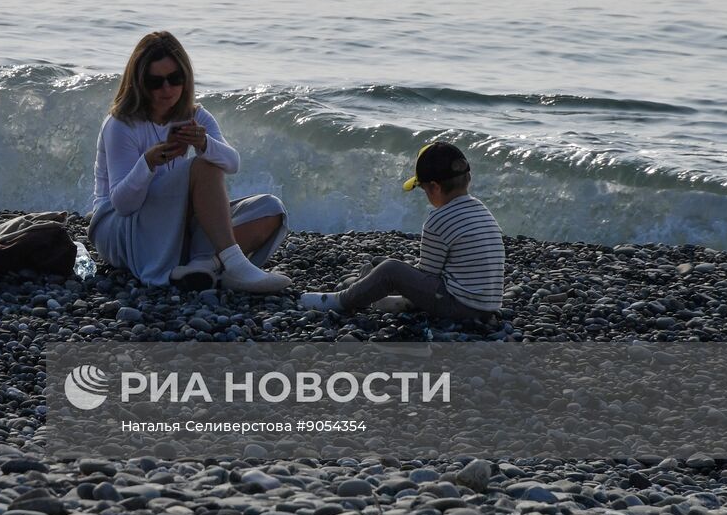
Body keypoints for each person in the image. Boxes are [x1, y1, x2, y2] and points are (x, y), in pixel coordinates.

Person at [87, 31, 292, 292]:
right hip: (120, 229)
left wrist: (204, 144)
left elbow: (232, 163)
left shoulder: (195, 116)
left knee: (270, 209)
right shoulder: (122, 124)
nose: (167, 89)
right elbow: (122, 204)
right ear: (140, 82)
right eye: (155, 82)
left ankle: (203, 265)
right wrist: (148, 164)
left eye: (175, 79)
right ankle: (233, 265)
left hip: (175, 222)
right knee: (202, 167)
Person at [299, 141, 504, 319]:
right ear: (467, 178)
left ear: (435, 187)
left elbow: (428, 275)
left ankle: (341, 300)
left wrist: (396, 277)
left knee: (390, 269)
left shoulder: (439, 219)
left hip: (459, 306)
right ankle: (378, 292)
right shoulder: (480, 209)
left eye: (423, 189)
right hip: (488, 305)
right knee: (385, 267)